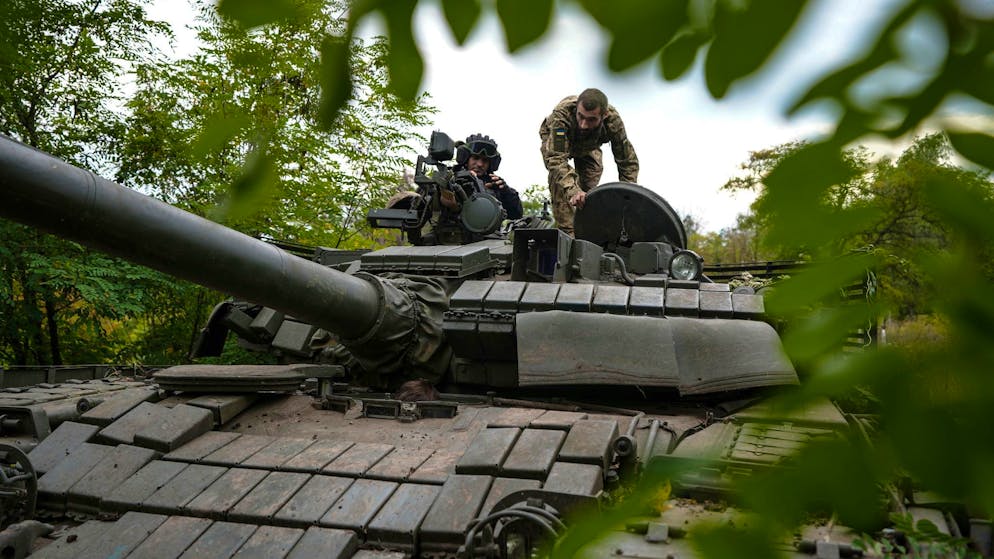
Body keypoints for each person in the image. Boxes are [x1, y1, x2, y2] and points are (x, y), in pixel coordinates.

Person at [539, 88, 639, 235]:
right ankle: (568, 234)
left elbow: (627, 161)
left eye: (591, 119)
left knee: (589, 194)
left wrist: (627, 198)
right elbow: (556, 159)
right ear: (576, 109)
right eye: (580, 116)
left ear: (604, 115)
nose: (583, 124)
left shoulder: (613, 122)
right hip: (557, 142)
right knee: (563, 187)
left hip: (589, 147)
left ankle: (589, 232)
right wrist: (573, 190)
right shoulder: (561, 116)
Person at [455, 133, 524, 220]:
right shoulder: (451, 179)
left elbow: (516, 215)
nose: (480, 164)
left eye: (485, 160)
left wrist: (505, 192)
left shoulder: (495, 185)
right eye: (475, 158)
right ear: (466, 159)